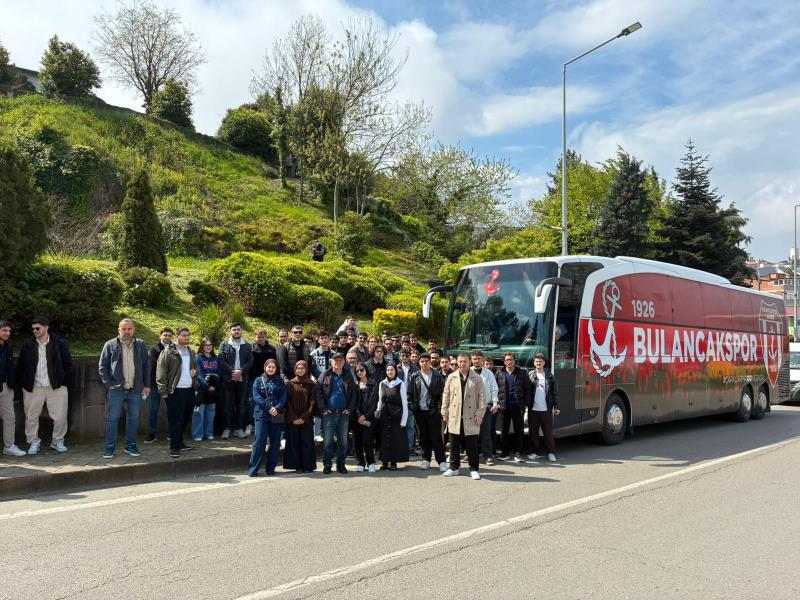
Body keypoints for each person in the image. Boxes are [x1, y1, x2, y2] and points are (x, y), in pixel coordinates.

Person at [17, 316, 72, 455]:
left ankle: (57, 441)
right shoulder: (27, 344)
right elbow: (21, 365)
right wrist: (24, 382)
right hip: (33, 387)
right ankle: (33, 442)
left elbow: (68, 364)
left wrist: (64, 381)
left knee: (60, 416)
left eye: (38, 328)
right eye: (33, 329)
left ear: (46, 327)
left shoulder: (59, 343)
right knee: (31, 416)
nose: (35, 331)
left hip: (56, 386)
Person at [98, 319, 150, 459]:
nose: (127, 331)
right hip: (116, 390)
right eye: (124, 328)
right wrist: (109, 384)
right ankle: (110, 447)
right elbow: (102, 366)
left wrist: (146, 385)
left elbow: (146, 366)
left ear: (134, 329)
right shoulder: (110, 344)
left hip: (135, 389)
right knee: (112, 419)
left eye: (129, 329)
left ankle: (130, 446)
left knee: (134, 418)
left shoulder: (140, 344)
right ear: (119, 329)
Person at [442, 353, 486, 480]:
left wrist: (480, 414)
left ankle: (474, 469)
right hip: (454, 414)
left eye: (464, 361)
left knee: (471, 444)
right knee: (454, 444)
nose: (462, 364)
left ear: (469, 362)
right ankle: (454, 467)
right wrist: (444, 411)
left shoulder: (477, 378)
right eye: (460, 361)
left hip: (471, 415)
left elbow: (482, 397)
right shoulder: (451, 377)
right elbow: (446, 394)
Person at [156, 327, 196, 459]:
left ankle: (179, 442)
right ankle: (174, 447)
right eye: (183, 335)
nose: (186, 337)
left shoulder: (191, 351)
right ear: (177, 336)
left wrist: (195, 372)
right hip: (175, 390)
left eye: (188, 335)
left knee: (185, 417)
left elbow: (196, 367)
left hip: (189, 389)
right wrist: (163, 390)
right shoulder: (168, 351)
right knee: (175, 420)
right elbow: (161, 372)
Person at [316, 352, 357, 474]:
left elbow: (353, 394)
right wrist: (323, 408)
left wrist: (349, 409)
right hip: (329, 414)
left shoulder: (348, 375)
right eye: (336, 360)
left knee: (343, 442)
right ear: (331, 362)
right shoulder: (325, 374)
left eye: (340, 360)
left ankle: (341, 465)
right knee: (327, 442)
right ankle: (327, 465)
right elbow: (318, 392)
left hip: (344, 414)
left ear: (344, 362)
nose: (338, 362)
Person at [408, 353, 447, 472]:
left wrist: (440, 409)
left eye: (426, 361)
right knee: (423, 437)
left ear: (430, 362)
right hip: (419, 411)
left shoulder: (437, 376)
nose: (424, 363)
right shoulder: (414, 376)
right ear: (419, 363)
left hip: (433, 411)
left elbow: (442, 394)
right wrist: (413, 407)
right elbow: (409, 393)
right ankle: (426, 459)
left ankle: (441, 461)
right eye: (422, 361)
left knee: (436, 437)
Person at [248, 359, 286, 476]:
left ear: (276, 368)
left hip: (276, 415)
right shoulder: (258, 380)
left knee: (275, 443)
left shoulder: (280, 381)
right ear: (265, 367)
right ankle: (253, 469)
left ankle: (270, 469)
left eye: (273, 367)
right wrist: (269, 408)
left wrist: (277, 408)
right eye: (269, 367)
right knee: (259, 442)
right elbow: (256, 397)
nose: (271, 369)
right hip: (261, 415)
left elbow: (283, 397)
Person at [219, 323, 253, 440]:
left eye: (238, 329)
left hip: (242, 380)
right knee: (227, 405)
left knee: (241, 405)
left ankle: (239, 429)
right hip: (228, 379)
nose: (236, 331)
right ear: (230, 331)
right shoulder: (224, 344)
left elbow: (250, 361)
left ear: (241, 331)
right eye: (234, 330)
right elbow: (221, 360)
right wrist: (232, 371)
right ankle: (227, 429)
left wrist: (241, 371)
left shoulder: (247, 345)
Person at [496, 352, 531, 463]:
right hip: (504, 408)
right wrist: (497, 403)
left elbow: (527, 389)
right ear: (504, 361)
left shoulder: (521, 373)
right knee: (504, 432)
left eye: (511, 359)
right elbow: (495, 389)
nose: (509, 361)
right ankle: (504, 453)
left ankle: (518, 454)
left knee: (519, 432)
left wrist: (526, 403)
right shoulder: (499, 373)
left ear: (514, 361)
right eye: (507, 360)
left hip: (518, 407)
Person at [284, 361, 316, 473]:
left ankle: (307, 466)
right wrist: (294, 417)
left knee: (307, 443)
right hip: (293, 419)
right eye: (298, 368)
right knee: (294, 443)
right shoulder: (290, 384)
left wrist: (303, 418)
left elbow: (313, 402)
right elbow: (287, 402)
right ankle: (297, 465)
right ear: (295, 370)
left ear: (306, 369)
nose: (300, 370)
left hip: (306, 420)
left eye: (302, 368)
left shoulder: (311, 384)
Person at [375, 363, 409, 470]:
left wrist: (404, 420)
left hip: (397, 414)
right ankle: (385, 462)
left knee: (395, 438)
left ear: (395, 371)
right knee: (384, 438)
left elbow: (404, 403)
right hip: (385, 414)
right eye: (388, 370)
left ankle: (393, 462)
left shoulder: (401, 384)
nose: (390, 372)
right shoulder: (382, 383)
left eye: (392, 370)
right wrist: (377, 412)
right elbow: (380, 400)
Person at [528, 352, 560, 462]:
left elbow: (555, 392)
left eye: (540, 361)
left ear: (544, 363)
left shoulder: (550, 376)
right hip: (533, 409)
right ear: (534, 363)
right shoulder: (530, 375)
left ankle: (551, 453)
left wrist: (557, 406)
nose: (538, 363)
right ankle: (534, 452)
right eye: (537, 361)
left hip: (546, 409)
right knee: (533, 433)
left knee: (548, 433)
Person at [0, 320, 25, 457]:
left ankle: (9, 446)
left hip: (7, 387)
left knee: (10, 418)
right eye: (4, 330)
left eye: (9, 331)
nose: (7, 333)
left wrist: (12, 383)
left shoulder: (8, 347)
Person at [470, 351, 500, 466]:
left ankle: (487, 456)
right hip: (470, 407)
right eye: (474, 359)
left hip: (485, 406)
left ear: (482, 360)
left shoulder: (488, 373)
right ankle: (471, 455)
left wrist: (495, 403)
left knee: (485, 434)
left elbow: (494, 389)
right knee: (471, 433)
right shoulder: (468, 371)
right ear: (471, 360)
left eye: (478, 359)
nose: (476, 361)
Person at [145, 328, 173, 443]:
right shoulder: (154, 349)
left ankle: (172, 433)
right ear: (160, 336)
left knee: (172, 409)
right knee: (154, 409)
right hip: (155, 383)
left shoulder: (174, 348)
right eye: (165, 335)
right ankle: (152, 433)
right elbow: (155, 365)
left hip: (170, 384)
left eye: (169, 335)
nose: (167, 337)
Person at [247, 330, 276, 436]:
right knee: (252, 402)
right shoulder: (250, 347)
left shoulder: (271, 349)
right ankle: (251, 424)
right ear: (255, 337)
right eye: (258, 337)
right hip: (253, 379)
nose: (260, 339)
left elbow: (274, 364)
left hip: (268, 379)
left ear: (266, 337)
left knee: (267, 401)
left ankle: (265, 424)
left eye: (262, 337)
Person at [193, 338, 221, 442]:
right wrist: (206, 385)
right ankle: (197, 434)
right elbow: (198, 374)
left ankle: (209, 433)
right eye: (206, 345)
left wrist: (214, 383)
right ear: (202, 346)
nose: (208, 347)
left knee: (210, 413)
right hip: (201, 389)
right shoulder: (198, 358)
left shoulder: (215, 358)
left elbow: (219, 373)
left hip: (213, 389)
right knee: (199, 413)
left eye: (210, 345)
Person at [353, 362, 378, 473]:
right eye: (357, 371)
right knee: (357, 441)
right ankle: (360, 462)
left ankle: (371, 462)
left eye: (361, 370)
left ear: (366, 370)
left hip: (369, 416)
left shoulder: (373, 383)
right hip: (357, 417)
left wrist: (365, 415)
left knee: (367, 440)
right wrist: (359, 415)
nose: (360, 372)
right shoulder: (355, 384)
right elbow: (353, 402)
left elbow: (374, 402)